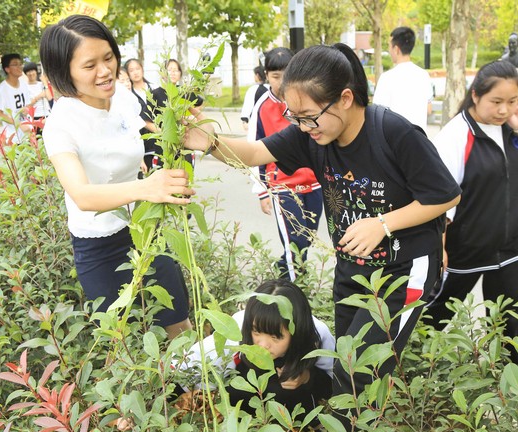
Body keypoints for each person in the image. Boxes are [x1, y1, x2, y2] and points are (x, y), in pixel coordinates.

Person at [185, 43, 461, 402]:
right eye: (294, 116)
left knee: (360, 366)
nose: (302, 126)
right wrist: (209, 142)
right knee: (343, 358)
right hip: (353, 267)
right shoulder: (312, 134)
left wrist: (382, 224)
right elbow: (255, 152)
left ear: (345, 98)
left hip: (403, 271)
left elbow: (445, 194)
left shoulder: (394, 133)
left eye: (309, 116)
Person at [39, 15, 194, 339]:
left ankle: (193, 389)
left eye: (108, 57)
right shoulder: (61, 124)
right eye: (90, 64)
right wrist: (148, 186)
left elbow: (153, 129)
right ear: (63, 71)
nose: (105, 70)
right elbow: (82, 196)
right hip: (97, 245)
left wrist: (180, 131)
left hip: (143, 227)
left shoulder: (122, 98)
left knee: (179, 323)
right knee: (117, 343)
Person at [426, 61, 518, 361]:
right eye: (496, 102)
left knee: (509, 329)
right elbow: (439, 197)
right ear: (475, 96)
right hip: (465, 251)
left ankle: (511, 391)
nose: (503, 110)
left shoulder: (511, 128)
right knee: (434, 320)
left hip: (512, 249)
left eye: (511, 102)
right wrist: (439, 248)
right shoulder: (456, 135)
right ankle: (417, 374)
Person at [186, 280, 334, 420]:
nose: (263, 345)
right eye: (256, 332)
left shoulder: (318, 336)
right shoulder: (235, 329)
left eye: (275, 337)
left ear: (298, 331)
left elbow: (333, 383)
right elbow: (190, 367)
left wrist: (307, 377)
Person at [248, 47, 323, 282]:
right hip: (282, 187)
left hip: (314, 184)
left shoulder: (308, 98)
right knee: (294, 243)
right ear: (266, 76)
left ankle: (289, 280)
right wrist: (260, 191)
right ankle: (291, 291)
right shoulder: (262, 106)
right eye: (275, 76)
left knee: (306, 241)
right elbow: (253, 148)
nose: (280, 82)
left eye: (286, 74)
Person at [372, 27, 433, 132]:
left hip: (394, 144)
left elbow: (377, 115)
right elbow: (429, 109)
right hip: (420, 142)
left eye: (390, 46)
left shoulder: (386, 78)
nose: (389, 50)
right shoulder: (424, 75)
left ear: (396, 49)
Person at [0, 53, 33, 143]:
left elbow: (28, 105)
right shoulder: (2, 89)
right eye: (15, 64)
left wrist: (27, 109)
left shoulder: (24, 84)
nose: (19, 67)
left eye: (20, 64)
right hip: (12, 138)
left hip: (27, 134)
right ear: (7, 69)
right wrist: (17, 124)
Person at [23, 62, 51, 134]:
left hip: (46, 116)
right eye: (28, 71)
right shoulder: (24, 87)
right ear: (26, 74)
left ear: (36, 71)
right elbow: (26, 106)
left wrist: (45, 83)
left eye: (32, 70)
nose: (31, 73)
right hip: (33, 118)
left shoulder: (41, 84)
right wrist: (39, 96)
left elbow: (49, 97)